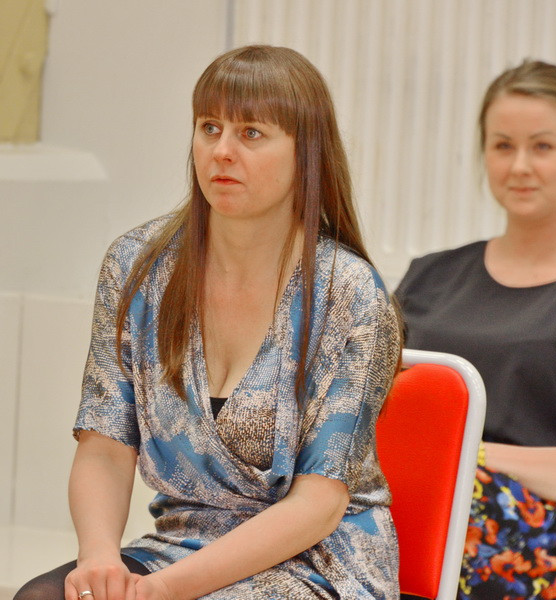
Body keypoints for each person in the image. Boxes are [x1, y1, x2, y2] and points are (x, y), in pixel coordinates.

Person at [15, 45, 401, 600]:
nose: (221, 151)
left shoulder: (352, 293)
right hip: (180, 546)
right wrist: (99, 560)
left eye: (251, 133)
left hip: (318, 562)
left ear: (307, 153)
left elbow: (319, 505)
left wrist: (165, 591)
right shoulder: (136, 266)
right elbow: (104, 446)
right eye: (209, 127)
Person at [395, 59, 556, 600]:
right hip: (402, 523)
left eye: (542, 146)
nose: (519, 166)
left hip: (528, 551)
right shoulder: (430, 276)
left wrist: (468, 454)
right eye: (502, 146)